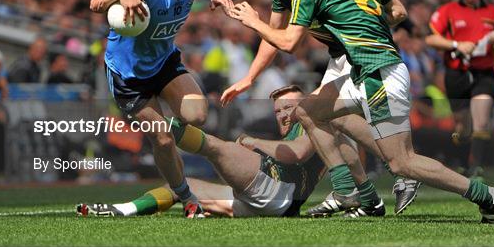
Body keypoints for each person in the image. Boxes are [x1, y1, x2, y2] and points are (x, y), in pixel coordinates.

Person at [230, 0, 494, 223]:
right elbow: (398, 11)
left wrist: (253, 21)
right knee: (309, 111)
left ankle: (486, 195)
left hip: (377, 73)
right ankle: (349, 190)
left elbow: (287, 42)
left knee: (402, 162)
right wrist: (367, 27)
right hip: (364, 65)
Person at [221, 0, 420, 216]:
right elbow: (273, 35)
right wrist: (250, 78)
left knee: (320, 115)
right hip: (340, 55)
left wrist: (363, 24)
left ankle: (393, 173)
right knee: (326, 119)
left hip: (356, 55)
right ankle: (366, 196)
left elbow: (398, 11)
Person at [89, 0, 234, 218]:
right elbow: (96, 1)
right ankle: (186, 196)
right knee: (164, 140)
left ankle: (162, 126)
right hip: (128, 76)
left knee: (197, 115)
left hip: (164, 61)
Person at [76, 85, 328, 217]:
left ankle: (158, 126)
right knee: (181, 187)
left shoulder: (315, 120)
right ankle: (123, 209)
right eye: (278, 111)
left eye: (288, 107)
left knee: (216, 147)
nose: (283, 115)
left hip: (277, 191)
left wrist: (255, 142)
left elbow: (296, 153)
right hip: (271, 203)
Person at [425, 0, 494, 178]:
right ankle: (463, 160)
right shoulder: (448, 11)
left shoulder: (493, 12)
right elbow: (430, 39)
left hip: (484, 73)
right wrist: (457, 44)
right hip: (457, 74)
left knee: (481, 118)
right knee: (463, 126)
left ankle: (477, 167)